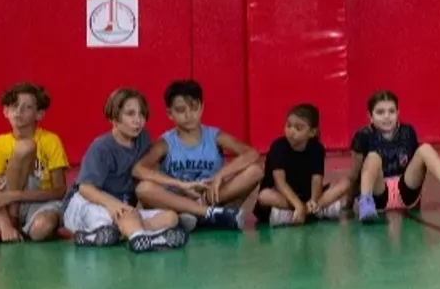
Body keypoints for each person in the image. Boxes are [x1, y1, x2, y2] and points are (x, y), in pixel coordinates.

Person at [62, 88, 188, 252]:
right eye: (130, 114)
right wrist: (113, 204)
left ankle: (119, 234)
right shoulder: (101, 147)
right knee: (125, 216)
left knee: (170, 218)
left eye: (141, 114)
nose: (138, 120)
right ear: (114, 118)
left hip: (123, 208)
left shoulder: (143, 139)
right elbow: (85, 188)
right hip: (86, 203)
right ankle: (138, 237)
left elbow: (145, 176)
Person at [133, 80, 256, 231]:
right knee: (143, 189)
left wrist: (221, 175)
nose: (188, 115)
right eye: (181, 110)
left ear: (202, 107)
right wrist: (179, 184)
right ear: (169, 113)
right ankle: (208, 215)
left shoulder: (214, 136)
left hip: (209, 196)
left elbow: (251, 153)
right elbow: (138, 169)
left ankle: (199, 214)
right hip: (177, 199)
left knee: (255, 171)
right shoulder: (165, 142)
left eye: (194, 108)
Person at [350, 90, 440, 221]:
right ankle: (366, 202)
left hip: (406, 192)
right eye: (380, 112)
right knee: (373, 157)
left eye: (391, 111)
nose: (387, 116)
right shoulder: (363, 136)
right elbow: (355, 174)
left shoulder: (407, 132)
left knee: (425, 148)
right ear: (370, 116)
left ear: (398, 113)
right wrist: (350, 200)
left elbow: (417, 167)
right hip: (378, 194)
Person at [0, 83, 68, 242]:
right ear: (5, 111)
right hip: (4, 206)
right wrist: (5, 224)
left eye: (27, 107)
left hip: (37, 201)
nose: (19, 112)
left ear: (39, 114)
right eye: (14, 106)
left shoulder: (51, 140)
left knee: (42, 228)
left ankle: (18, 223)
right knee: (24, 147)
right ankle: (13, 221)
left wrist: (16, 196)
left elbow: (60, 190)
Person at [254, 104, 350, 226]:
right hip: (284, 196)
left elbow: (316, 180)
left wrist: (314, 200)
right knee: (264, 196)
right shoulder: (278, 147)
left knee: (345, 182)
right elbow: (280, 183)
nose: (291, 131)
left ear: (312, 132)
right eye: (288, 126)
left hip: (307, 196)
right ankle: (314, 211)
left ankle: (304, 211)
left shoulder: (317, 149)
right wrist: (297, 204)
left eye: (298, 128)